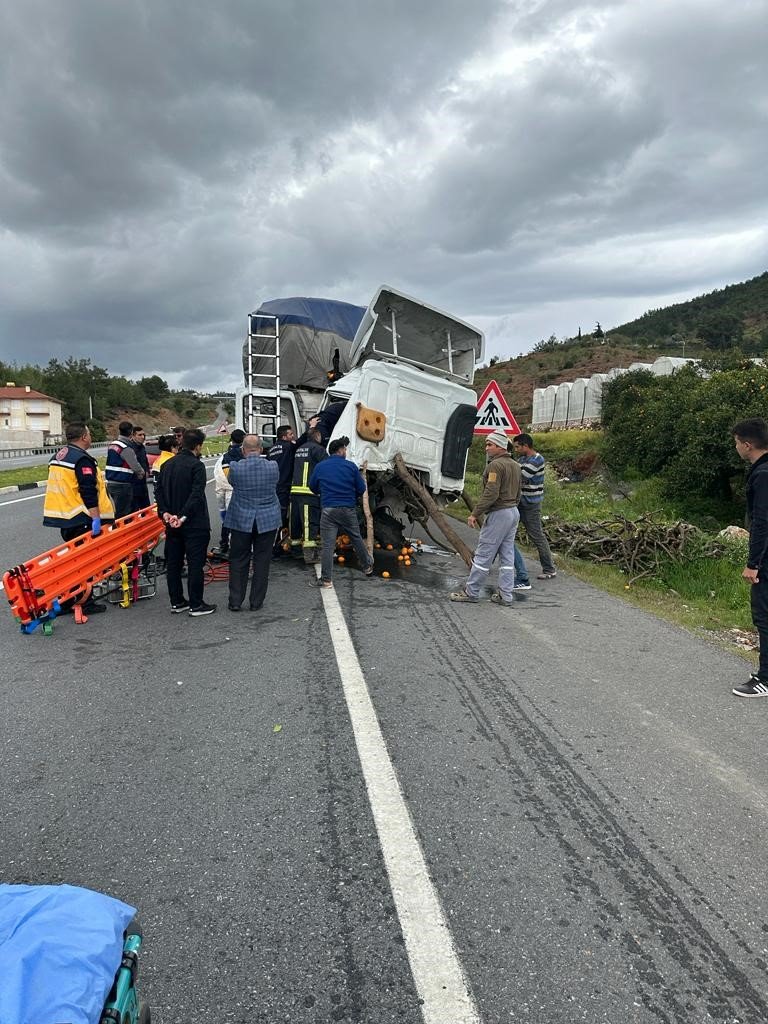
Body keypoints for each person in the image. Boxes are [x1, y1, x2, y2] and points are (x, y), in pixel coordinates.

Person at [43, 421, 115, 615]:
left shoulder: (58, 456)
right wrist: (96, 519)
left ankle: (68, 599)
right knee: (85, 563)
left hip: (63, 517)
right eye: (89, 434)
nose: (90, 437)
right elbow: (88, 490)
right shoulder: (82, 459)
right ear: (84, 437)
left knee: (72, 562)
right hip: (80, 517)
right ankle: (85, 601)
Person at [449, 430, 521, 606]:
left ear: (500, 447)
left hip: (500, 513)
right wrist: (512, 507)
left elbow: (491, 493)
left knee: (483, 555)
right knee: (507, 556)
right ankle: (506, 595)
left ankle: (471, 592)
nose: (486, 448)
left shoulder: (495, 466)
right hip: (513, 512)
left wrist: (475, 513)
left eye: (490, 445)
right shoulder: (515, 465)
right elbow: (519, 492)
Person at [155, 428, 215, 616]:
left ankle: (177, 601)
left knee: (174, 564)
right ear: (198, 446)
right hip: (193, 523)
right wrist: (182, 516)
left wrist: (165, 513)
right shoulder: (196, 466)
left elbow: (159, 493)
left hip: (171, 523)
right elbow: (196, 494)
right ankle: (196, 604)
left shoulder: (167, 465)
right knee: (196, 564)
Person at [224, 434, 282, 611]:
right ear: (261, 449)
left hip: (241, 519)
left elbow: (231, 482)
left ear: (243, 450)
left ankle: (235, 601)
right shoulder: (273, 466)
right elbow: (275, 484)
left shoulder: (235, 467)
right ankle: (256, 602)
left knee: (238, 559)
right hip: (268, 519)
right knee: (262, 560)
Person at [731, 418, 768, 697]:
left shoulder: (763, 474)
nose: (736, 448)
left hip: (766, 558)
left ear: (747, 444)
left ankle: (765, 679)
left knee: (764, 617)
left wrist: (753, 564)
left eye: (736, 442)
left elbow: (762, 523)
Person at [308, 436, 374, 588]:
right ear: (340, 450)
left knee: (328, 546)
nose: (346, 451)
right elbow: (361, 488)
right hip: (347, 508)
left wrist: (323, 493)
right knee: (356, 538)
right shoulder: (350, 466)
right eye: (345, 449)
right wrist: (351, 496)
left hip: (328, 509)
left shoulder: (320, 466)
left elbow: (313, 487)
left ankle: (326, 580)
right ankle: (367, 566)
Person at [512, 432, 557, 580]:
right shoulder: (523, 458)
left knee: (536, 536)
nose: (516, 449)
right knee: (505, 532)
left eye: (518, 447)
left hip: (531, 504)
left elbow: (522, 475)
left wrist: (510, 466)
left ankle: (549, 569)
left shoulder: (537, 459)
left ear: (526, 446)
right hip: (519, 502)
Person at [290, 427, 328, 562]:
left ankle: (295, 551)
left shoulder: (300, 448)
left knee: (295, 523)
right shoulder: (318, 449)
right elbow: (326, 468)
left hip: (295, 491)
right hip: (308, 492)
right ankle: (309, 554)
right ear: (317, 436)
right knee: (309, 523)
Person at [266, 425, 296, 557]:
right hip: (283, 487)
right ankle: (274, 548)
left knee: (273, 516)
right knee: (280, 517)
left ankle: (273, 543)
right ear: (284, 437)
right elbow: (302, 443)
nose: (293, 436)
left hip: (272, 487)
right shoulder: (288, 446)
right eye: (290, 434)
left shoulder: (271, 449)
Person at [105, 420, 145, 518]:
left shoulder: (113, 445)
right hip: (123, 485)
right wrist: (142, 473)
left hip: (110, 483)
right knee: (124, 514)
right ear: (131, 432)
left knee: (115, 512)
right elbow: (135, 466)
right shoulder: (126, 448)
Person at [215, 429, 246, 555]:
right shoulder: (245, 455)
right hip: (241, 492)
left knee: (227, 520)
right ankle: (241, 547)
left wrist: (221, 508)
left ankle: (224, 545)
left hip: (226, 492)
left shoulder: (224, 458)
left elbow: (219, 484)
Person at [129, 425, 151, 511]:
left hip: (143, 483)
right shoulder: (130, 448)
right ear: (133, 436)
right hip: (133, 484)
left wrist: (147, 471)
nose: (143, 437)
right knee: (134, 510)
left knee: (146, 509)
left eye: (144, 435)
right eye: (140, 435)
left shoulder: (142, 447)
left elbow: (145, 461)